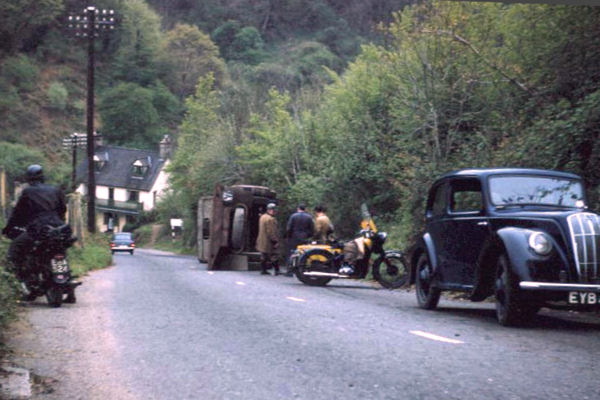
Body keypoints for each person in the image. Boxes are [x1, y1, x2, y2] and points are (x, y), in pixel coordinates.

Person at [2, 165, 67, 280]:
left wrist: (8, 228)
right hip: (59, 228)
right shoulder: (56, 190)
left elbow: (18, 213)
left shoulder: (28, 191)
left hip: (39, 229)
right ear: (43, 177)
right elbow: (63, 209)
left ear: (29, 179)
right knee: (59, 250)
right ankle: (67, 284)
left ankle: (22, 279)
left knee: (15, 247)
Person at [285, 203, 314, 274]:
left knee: (291, 253)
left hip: (294, 237)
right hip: (304, 238)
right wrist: (308, 236)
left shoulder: (293, 216)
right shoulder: (309, 217)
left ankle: (289, 270)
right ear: (305, 209)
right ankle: (302, 269)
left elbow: (289, 228)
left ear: (298, 209)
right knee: (304, 254)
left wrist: (288, 236)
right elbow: (312, 229)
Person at [255, 202, 280, 275]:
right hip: (268, 241)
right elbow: (271, 231)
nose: (275, 211)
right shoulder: (271, 219)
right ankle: (277, 270)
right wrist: (275, 241)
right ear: (271, 210)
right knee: (274, 255)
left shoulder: (262, 217)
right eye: (274, 210)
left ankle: (263, 270)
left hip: (261, 240)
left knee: (263, 255)